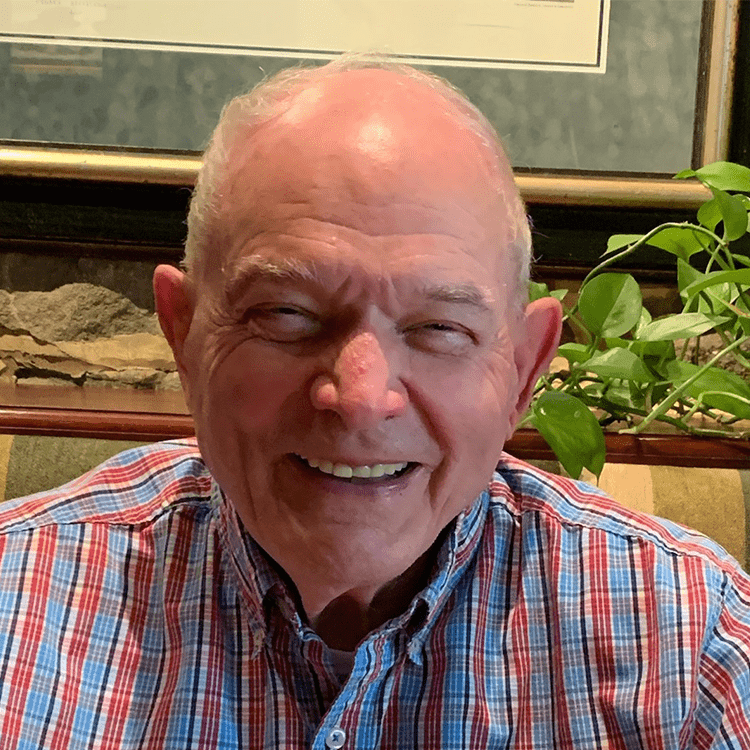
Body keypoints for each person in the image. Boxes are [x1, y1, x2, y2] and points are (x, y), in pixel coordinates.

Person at [0, 57, 749, 749]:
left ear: (523, 371)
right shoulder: (16, 607)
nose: (360, 398)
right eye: (287, 314)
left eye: (439, 328)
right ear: (184, 335)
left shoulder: (695, 652)